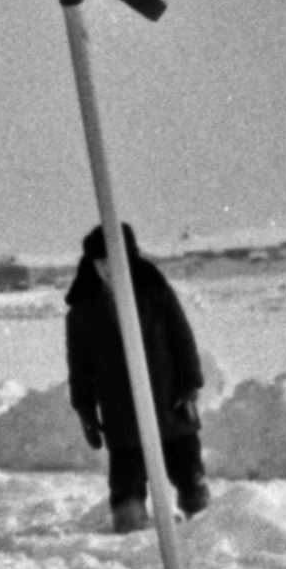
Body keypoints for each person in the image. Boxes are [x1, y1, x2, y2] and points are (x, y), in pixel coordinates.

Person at [65, 223, 210, 532]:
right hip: (121, 414)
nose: (107, 270)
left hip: (169, 402)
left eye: (113, 261)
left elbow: (182, 340)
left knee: (188, 469)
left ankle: (200, 523)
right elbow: (80, 368)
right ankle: (132, 526)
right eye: (100, 263)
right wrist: (85, 410)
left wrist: (189, 387)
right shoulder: (83, 310)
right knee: (126, 481)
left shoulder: (155, 293)